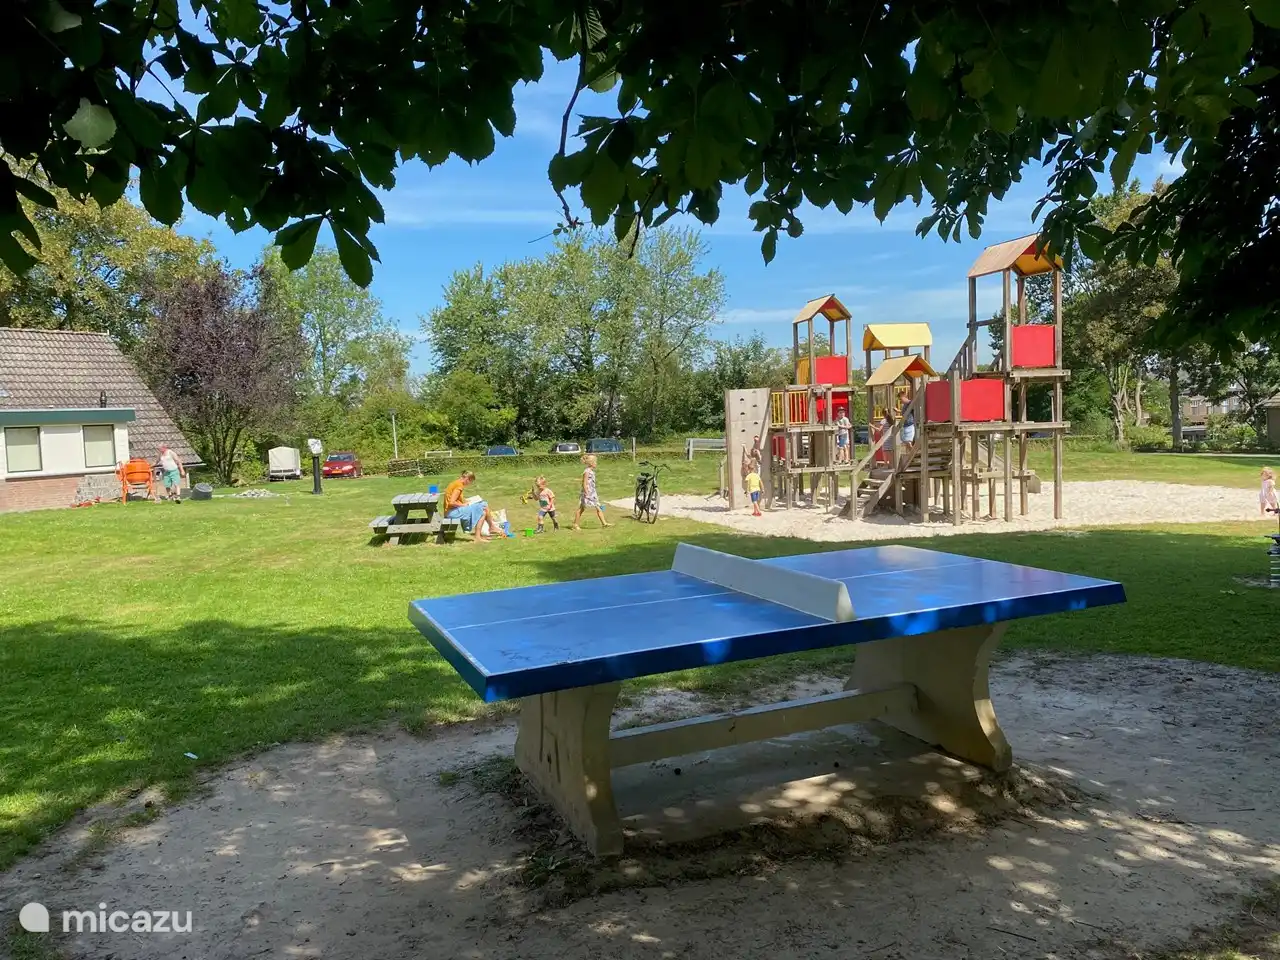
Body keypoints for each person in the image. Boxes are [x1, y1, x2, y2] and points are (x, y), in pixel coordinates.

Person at [443, 470, 500, 542]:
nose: (469, 484)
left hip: (451, 511)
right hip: (452, 512)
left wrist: (466, 501)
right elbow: (451, 502)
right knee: (483, 506)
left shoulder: (456, 483)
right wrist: (463, 505)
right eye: (471, 481)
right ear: (467, 479)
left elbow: (455, 499)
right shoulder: (459, 486)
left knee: (483, 510)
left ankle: (480, 535)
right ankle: (490, 528)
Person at [572, 454, 611, 530]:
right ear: (591, 463)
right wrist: (586, 493)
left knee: (598, 507)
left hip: (593, 492)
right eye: (595, 462)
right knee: (582, 508)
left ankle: (604, 523)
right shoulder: (587, 471)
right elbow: (584, 483)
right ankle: (575, 524)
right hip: (587, 493)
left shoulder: (591, 471)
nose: (596, 464)